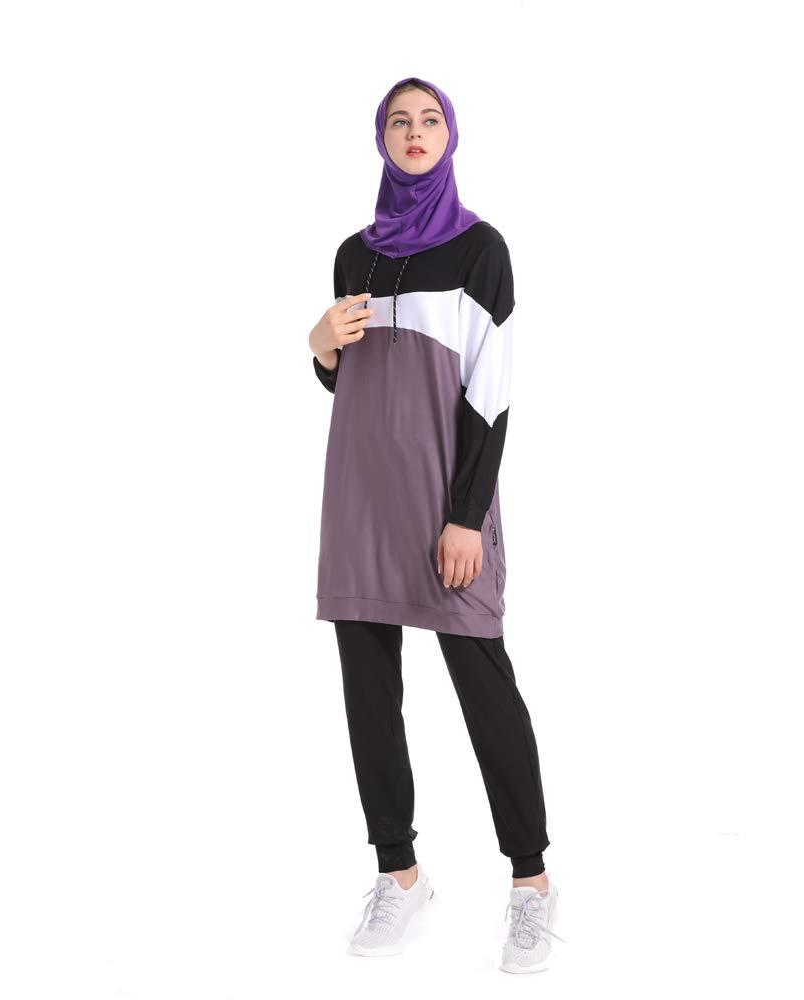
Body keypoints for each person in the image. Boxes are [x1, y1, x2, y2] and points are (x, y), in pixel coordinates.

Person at [307, 76, 562, 973]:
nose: (414, 133)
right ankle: (399, 874)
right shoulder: (354, 256)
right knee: (368, 690)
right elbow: (349, 379)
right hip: (359, 498)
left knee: (483, 682)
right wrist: (319, 345)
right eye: (398, 122)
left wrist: (465, 518)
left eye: (429, 120)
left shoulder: (481, 249)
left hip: (444, 504)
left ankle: (531, 883)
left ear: (450, 136)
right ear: (380, 139)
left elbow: (492, 395)